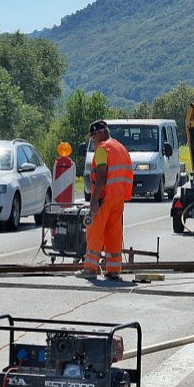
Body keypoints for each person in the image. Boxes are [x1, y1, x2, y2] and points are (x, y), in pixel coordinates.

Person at [76, 120, 133, 281]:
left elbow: (101, 178)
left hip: (104, 198)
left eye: (93, 136)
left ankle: (90, 269)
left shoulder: (102, 149)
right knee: (113, 233)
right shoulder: (120, 148)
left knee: (94, 232)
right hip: (118, 198)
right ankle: (114, 270)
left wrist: (94, 201)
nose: (92, 140)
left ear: (99, 133)